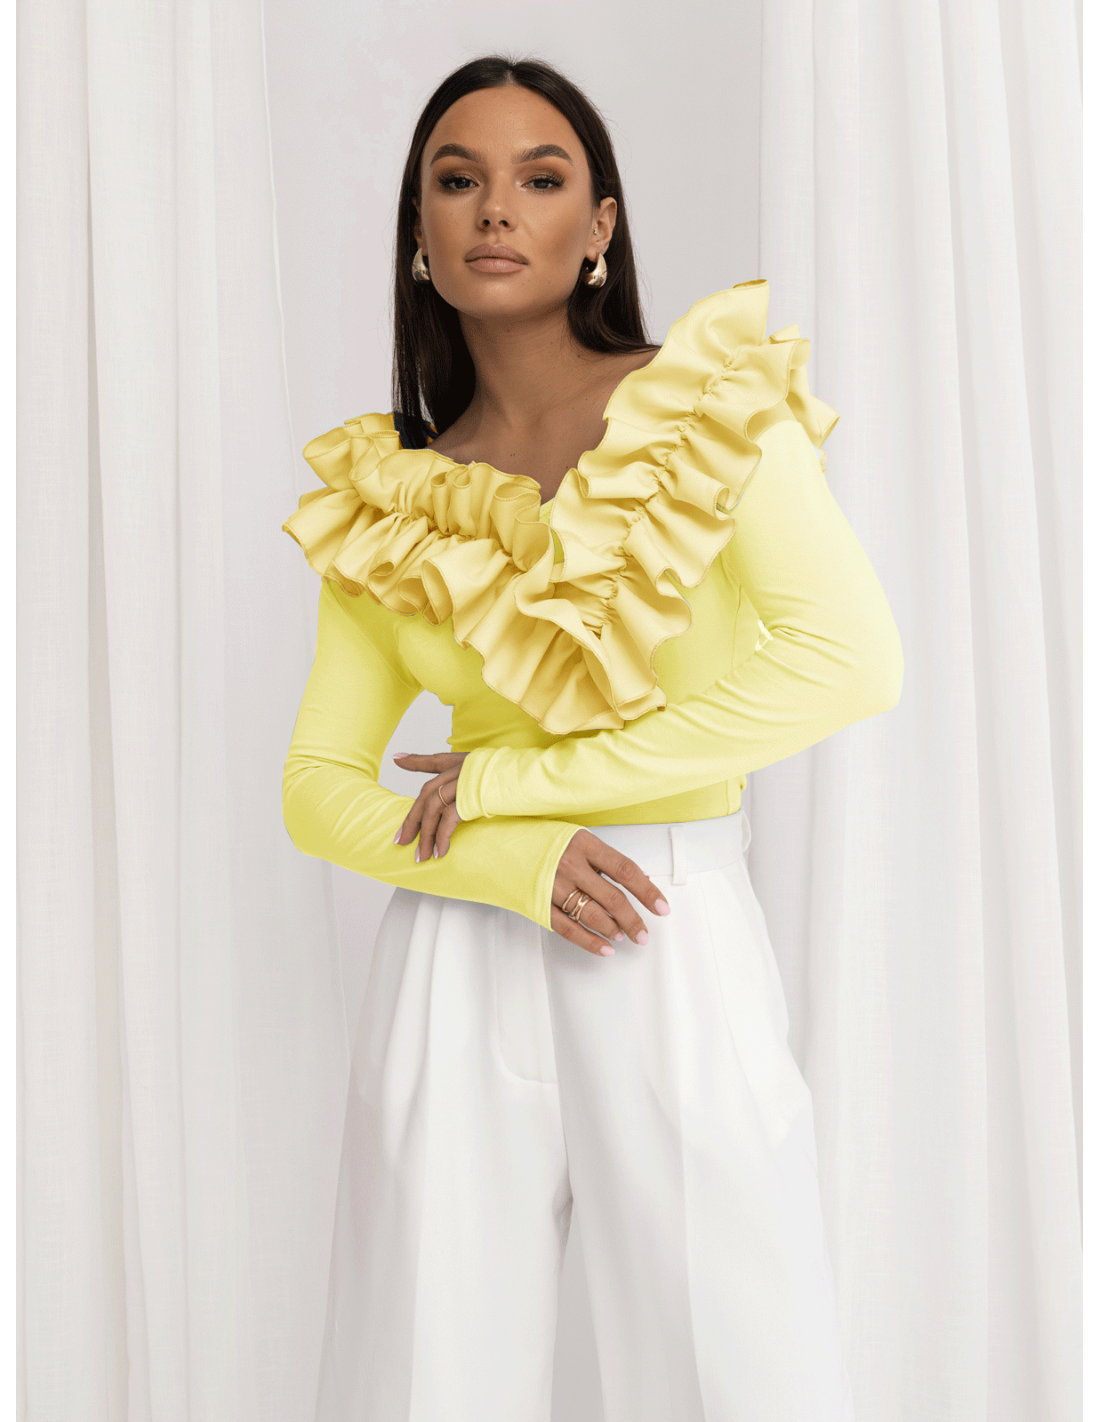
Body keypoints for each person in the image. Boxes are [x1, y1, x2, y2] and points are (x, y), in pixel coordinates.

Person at [282, 54, 902, 1422]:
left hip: (666, 923)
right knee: (420, 1378)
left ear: (599, 226)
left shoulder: (706, 413)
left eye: (541, 176)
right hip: (456, 941)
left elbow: (847, 663)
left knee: (741, 1373)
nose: (497, 207)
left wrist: (522, 782)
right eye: (458, 180)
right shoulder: (392, 501)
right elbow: (315, 787)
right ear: (421, 234)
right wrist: (509, 855)